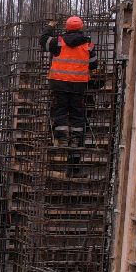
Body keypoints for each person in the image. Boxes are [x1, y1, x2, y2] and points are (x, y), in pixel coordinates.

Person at [40, 15, 96, 163]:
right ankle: (76, 140)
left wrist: (50, 26)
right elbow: (94, 64)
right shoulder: (88, 44)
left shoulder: (58, 42)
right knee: (77, 113)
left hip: (59, 83)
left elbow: (43, 40)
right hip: (79, 84)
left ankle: (62, 138)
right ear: (81, 27)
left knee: (60, 110)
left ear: (67, 27)